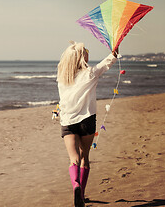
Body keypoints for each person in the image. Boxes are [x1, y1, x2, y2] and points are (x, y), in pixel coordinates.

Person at [56, 41, 118, 207]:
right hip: (87, 120)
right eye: (85, 52)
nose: (87, 53)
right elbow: (106, 64)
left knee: (73, 158)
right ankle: (81, 195)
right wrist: (114, 52)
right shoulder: (90, 74)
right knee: (85, 157)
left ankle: (75, 184)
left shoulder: (62, 78)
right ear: (82, 57)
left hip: (68, 121)